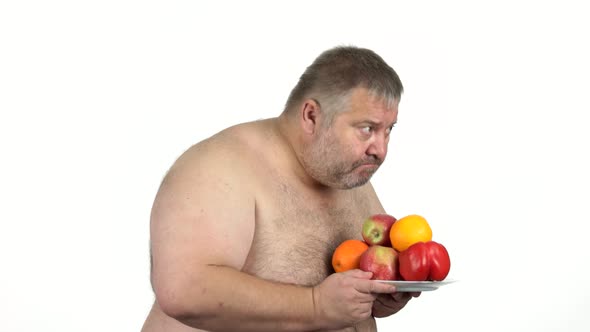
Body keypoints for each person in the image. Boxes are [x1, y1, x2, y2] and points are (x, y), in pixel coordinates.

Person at [141, 45, 420, 332]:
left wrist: (380, 300)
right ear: (311, 116)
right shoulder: (218, 167)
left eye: (388, 130)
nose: (381, 150)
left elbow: (355, 291)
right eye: (367, 129)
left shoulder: (345, 174)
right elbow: (183, 289)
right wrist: (315, 305)